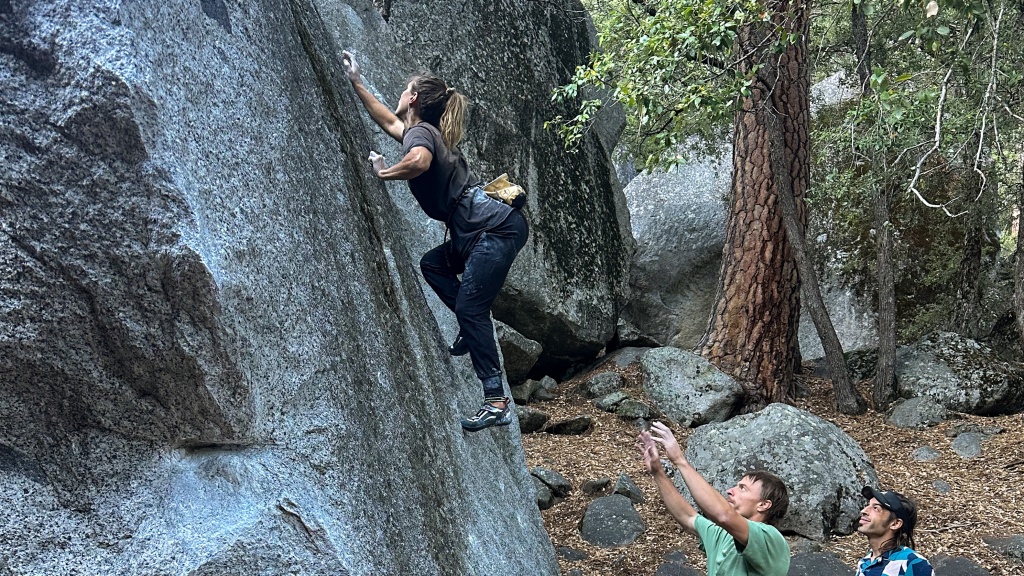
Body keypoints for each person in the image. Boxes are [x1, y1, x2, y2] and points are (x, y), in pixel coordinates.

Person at [341, 51, 528, 432]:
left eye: (404, 90)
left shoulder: (422, 134)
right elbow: (388, 120)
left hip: (490, 228)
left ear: (413, 98)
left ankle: (496, 400)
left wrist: (383, 172)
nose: (399, 95)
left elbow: (419, 162)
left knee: (472, 309)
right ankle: (467, 322)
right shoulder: (419, 129)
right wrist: (356, 82)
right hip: (478, 229)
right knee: (433, 265)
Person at [638, 422, 790, 576]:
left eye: (742, 488)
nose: (730, 491)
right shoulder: (724, 535)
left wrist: (680, 460)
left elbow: (724, 515)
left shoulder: (771, 540)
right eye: (736, 486)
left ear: (763, 505)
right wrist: (658, 472)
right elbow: (688, 517)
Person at [855, 486, 933, 576]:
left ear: (895, 524)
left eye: (876, 508)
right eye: (867, 506)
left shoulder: (914, 564)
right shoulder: (864, 563)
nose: (863, 511)